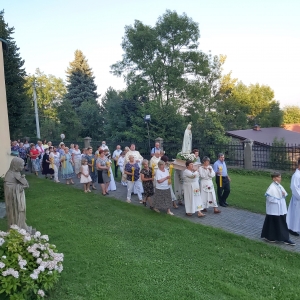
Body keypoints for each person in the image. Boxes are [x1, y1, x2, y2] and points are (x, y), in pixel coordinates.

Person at [261, 172, 295, 246]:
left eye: (280, 177)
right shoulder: (272, 187)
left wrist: (283, 195)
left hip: (280, 209)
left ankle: (277, 237)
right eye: (278, 177)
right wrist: (278, 200)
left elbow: (284, 194)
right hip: (275, 209)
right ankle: (276, 237)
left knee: (279, 222)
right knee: (274, 223)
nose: (280, 179)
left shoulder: (279, 186)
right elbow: (269, 197)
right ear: (274, 178)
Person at [4, 158, 32, 232]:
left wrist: (23, 183)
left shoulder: (17, 173)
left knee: (22, 211)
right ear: (15, 165)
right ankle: (16, 227)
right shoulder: (9, 175)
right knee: (17, 212)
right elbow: (8, 188)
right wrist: (20, 187)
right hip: (14, 200)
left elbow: (24, 183)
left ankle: (22, 225)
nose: (23, 167)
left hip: (19, 196)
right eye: (21, 166)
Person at [286, 159, 300, 236]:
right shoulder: (296, 175)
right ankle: (292, 228)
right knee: (296, 214)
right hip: (297, 199)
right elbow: (294, 188)